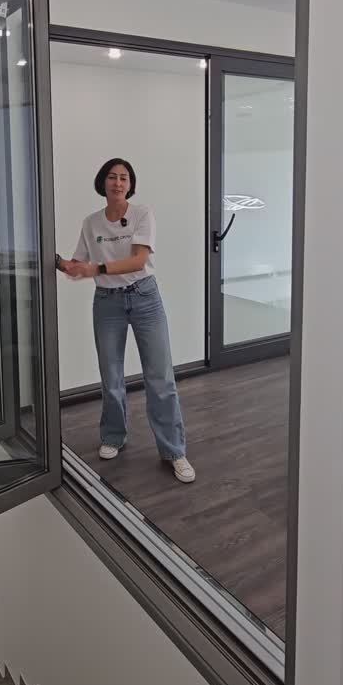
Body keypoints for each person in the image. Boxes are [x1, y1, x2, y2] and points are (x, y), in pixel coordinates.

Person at [57, 158, 195, 484]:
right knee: (111, 376)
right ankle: (113, 436)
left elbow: (138, 260)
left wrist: (97, 269)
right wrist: (57, 261)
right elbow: (78, 264)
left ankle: (174, 450)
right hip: (107, 303)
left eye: (124, 178)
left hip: (144, 297)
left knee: (160, 378)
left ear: (130, 185)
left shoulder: (142, 214)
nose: (118, 183)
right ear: (102, 183)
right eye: (112, 177)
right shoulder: (91, 223)